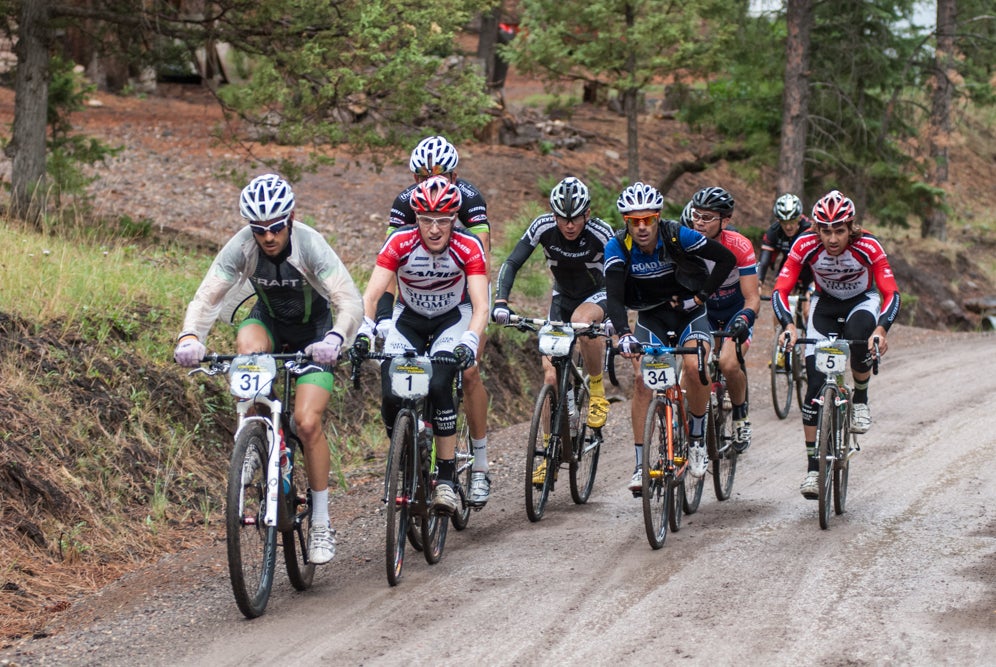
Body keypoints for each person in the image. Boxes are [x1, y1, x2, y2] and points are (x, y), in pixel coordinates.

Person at [173, 173, 363, 565]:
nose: (269, 237)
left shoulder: (310, 245)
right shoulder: (242, 247)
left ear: (290, 218)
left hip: (316, 333)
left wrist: (336, 339)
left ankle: (323, 523)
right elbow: (208, 296)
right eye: (259, 229)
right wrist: (190, 336)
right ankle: (259, 432)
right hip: (269, 323)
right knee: (247, 348)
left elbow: (349, 301)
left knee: (307, 423)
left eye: (276, 227)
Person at [354, 175, 491, 513]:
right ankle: (406, 449)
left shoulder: (468, 245)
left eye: (443, 220)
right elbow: (371, 295)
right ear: (416, 218)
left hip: (452, 318)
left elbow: (481, 303)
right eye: (426, 220)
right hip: (409, 318)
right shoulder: (399, 242)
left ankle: (445, 479)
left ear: (454, 219)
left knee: (441, 382)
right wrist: (364, 330)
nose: (434, 229)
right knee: (390, 391)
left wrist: (470, 340)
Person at [603, 182, 736, 495]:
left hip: (689, 314)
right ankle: (639, 466)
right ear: (626, 222)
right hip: (652, 316)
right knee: (642, 382)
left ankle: (698, 440)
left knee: (694, 367)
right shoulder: (617, 245)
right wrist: (623, 333)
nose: (642, 227)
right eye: (634, 221)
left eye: (648, 219)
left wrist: (701, 298)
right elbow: (613, 296)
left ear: (658, 217)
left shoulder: (678, 234)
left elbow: (726, 260)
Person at [381, 135, 494, 504]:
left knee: (469, 371)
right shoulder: (404, 202)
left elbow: (483, 261)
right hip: (416, 300)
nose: (432, 181)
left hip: (463, 295)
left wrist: (471, 334)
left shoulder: (470, 199)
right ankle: (408, 447)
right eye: (421, 176)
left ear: (455, 175)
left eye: (443, 175)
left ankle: (479, 465)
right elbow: (391, 261)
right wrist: (386, 319)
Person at [771, 189, 900, 499]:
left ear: (850, 227)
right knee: (814, 388)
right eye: (825, 230)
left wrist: (881, 330)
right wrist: (788, 326)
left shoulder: (868, 245)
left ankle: (860, 399)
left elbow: (891, 293)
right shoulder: (805, 244)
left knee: (859, 338)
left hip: (861, 301)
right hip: (825, 304)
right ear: (816, 228)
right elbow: (781, 288)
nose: (831, 238)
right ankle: (814, 469)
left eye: (839, 230)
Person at [492, 176, 614, 481]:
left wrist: (618, 318)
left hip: (598, 296)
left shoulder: (601, 233)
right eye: (562, 218)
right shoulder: (543, 227)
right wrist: (501, 301)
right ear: (554, 214)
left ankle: (597, 391)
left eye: (575, 218)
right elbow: (511, 262)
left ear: (587, 214)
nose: (569, 225)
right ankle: (549, 453)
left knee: (582, 323)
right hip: (561, 299)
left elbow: (618, 273)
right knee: (550, 375)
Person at [686, 186, 761, 453]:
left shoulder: (739, 246)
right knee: (694, 365)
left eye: (707, 217)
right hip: (704, 312)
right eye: (697, 215)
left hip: (734, 311)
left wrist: (744, 319)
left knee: (729, 364)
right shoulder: (687, 244)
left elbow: (752, 297)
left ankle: (741, 417)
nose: (699, 222)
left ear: (725, 221)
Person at [757, 193, 814, 326]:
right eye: (784, 222)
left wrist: (814, 285)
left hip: (810, 271)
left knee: (808, 311)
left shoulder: (810, 229)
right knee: (779, 305)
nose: (788, 227)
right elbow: (764, 261)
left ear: (800, 218)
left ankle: (809, 342)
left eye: (792, 222)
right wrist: (758, 283)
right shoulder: (774, 231)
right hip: (789, 268)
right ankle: (779, 342)